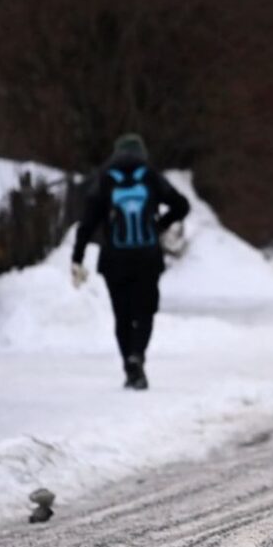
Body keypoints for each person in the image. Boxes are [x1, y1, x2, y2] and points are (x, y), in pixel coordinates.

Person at [71, 133, 189, 390]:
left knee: (122, 315)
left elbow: (87, 223)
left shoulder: (104, 179)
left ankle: (129, 366)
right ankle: (138, 355)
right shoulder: (149, 175)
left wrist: (77, 257)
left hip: (114, 259)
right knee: (145, 311)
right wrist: (159, 225)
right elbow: (182, 205)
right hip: (147, 257)